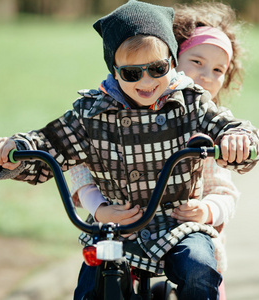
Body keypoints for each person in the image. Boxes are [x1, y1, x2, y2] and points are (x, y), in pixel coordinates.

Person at [0, 1, 259, 299]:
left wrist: (239, 140)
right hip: (117, 227)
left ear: (171, 61)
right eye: (132, 73)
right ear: (115, 71)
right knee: (91, 284)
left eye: (157, 69)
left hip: (179, 224)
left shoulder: (191, 104)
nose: (146, 81)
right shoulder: (92, 114)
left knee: (199, 267)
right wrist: (15, 149)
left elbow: (230, 127)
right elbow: (50, 142)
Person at [69, 2, 247, 299]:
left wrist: (206, 210)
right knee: (94, 280)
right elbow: (80, 164)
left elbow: (224, 191)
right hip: (124, 225)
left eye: (218, 70)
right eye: (197, 62)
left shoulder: (210, 123)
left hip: (185, 228)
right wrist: (99, 208)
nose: (205, 75)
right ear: (170, 60)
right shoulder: (111, 111)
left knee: (201, 272)